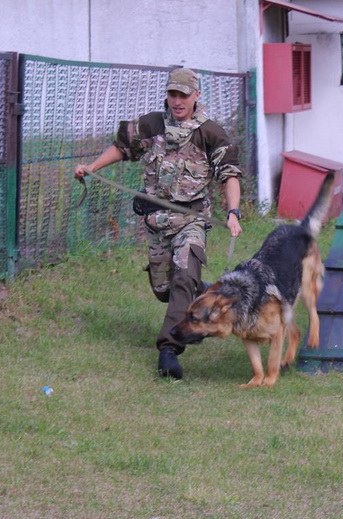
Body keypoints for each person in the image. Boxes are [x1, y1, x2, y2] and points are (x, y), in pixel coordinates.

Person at [74, 68, 243, 380]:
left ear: (197, 96)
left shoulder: (211, 134)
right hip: (156, 222)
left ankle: (169, 350)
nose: (177, 101)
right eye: (172, 94)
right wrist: (91, 167)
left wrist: (233, 212)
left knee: (184, 276)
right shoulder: (151, 124)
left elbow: (230, 175)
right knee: (163, 289)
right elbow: (122, 148)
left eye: (183, 95)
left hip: (190, 220)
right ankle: (200, 290)